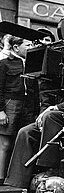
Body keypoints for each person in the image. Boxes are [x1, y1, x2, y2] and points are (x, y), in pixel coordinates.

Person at [0, 36, 37, 185]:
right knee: (5, 144)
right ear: (16, 47)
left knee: (22, 143)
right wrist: (0, 111)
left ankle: (19, 181)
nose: (31, 47)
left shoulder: (33, 65)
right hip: (10, 105)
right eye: (28, 45)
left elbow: (35, 91)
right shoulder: (4, 64)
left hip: (27, 106)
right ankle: (1, 180)